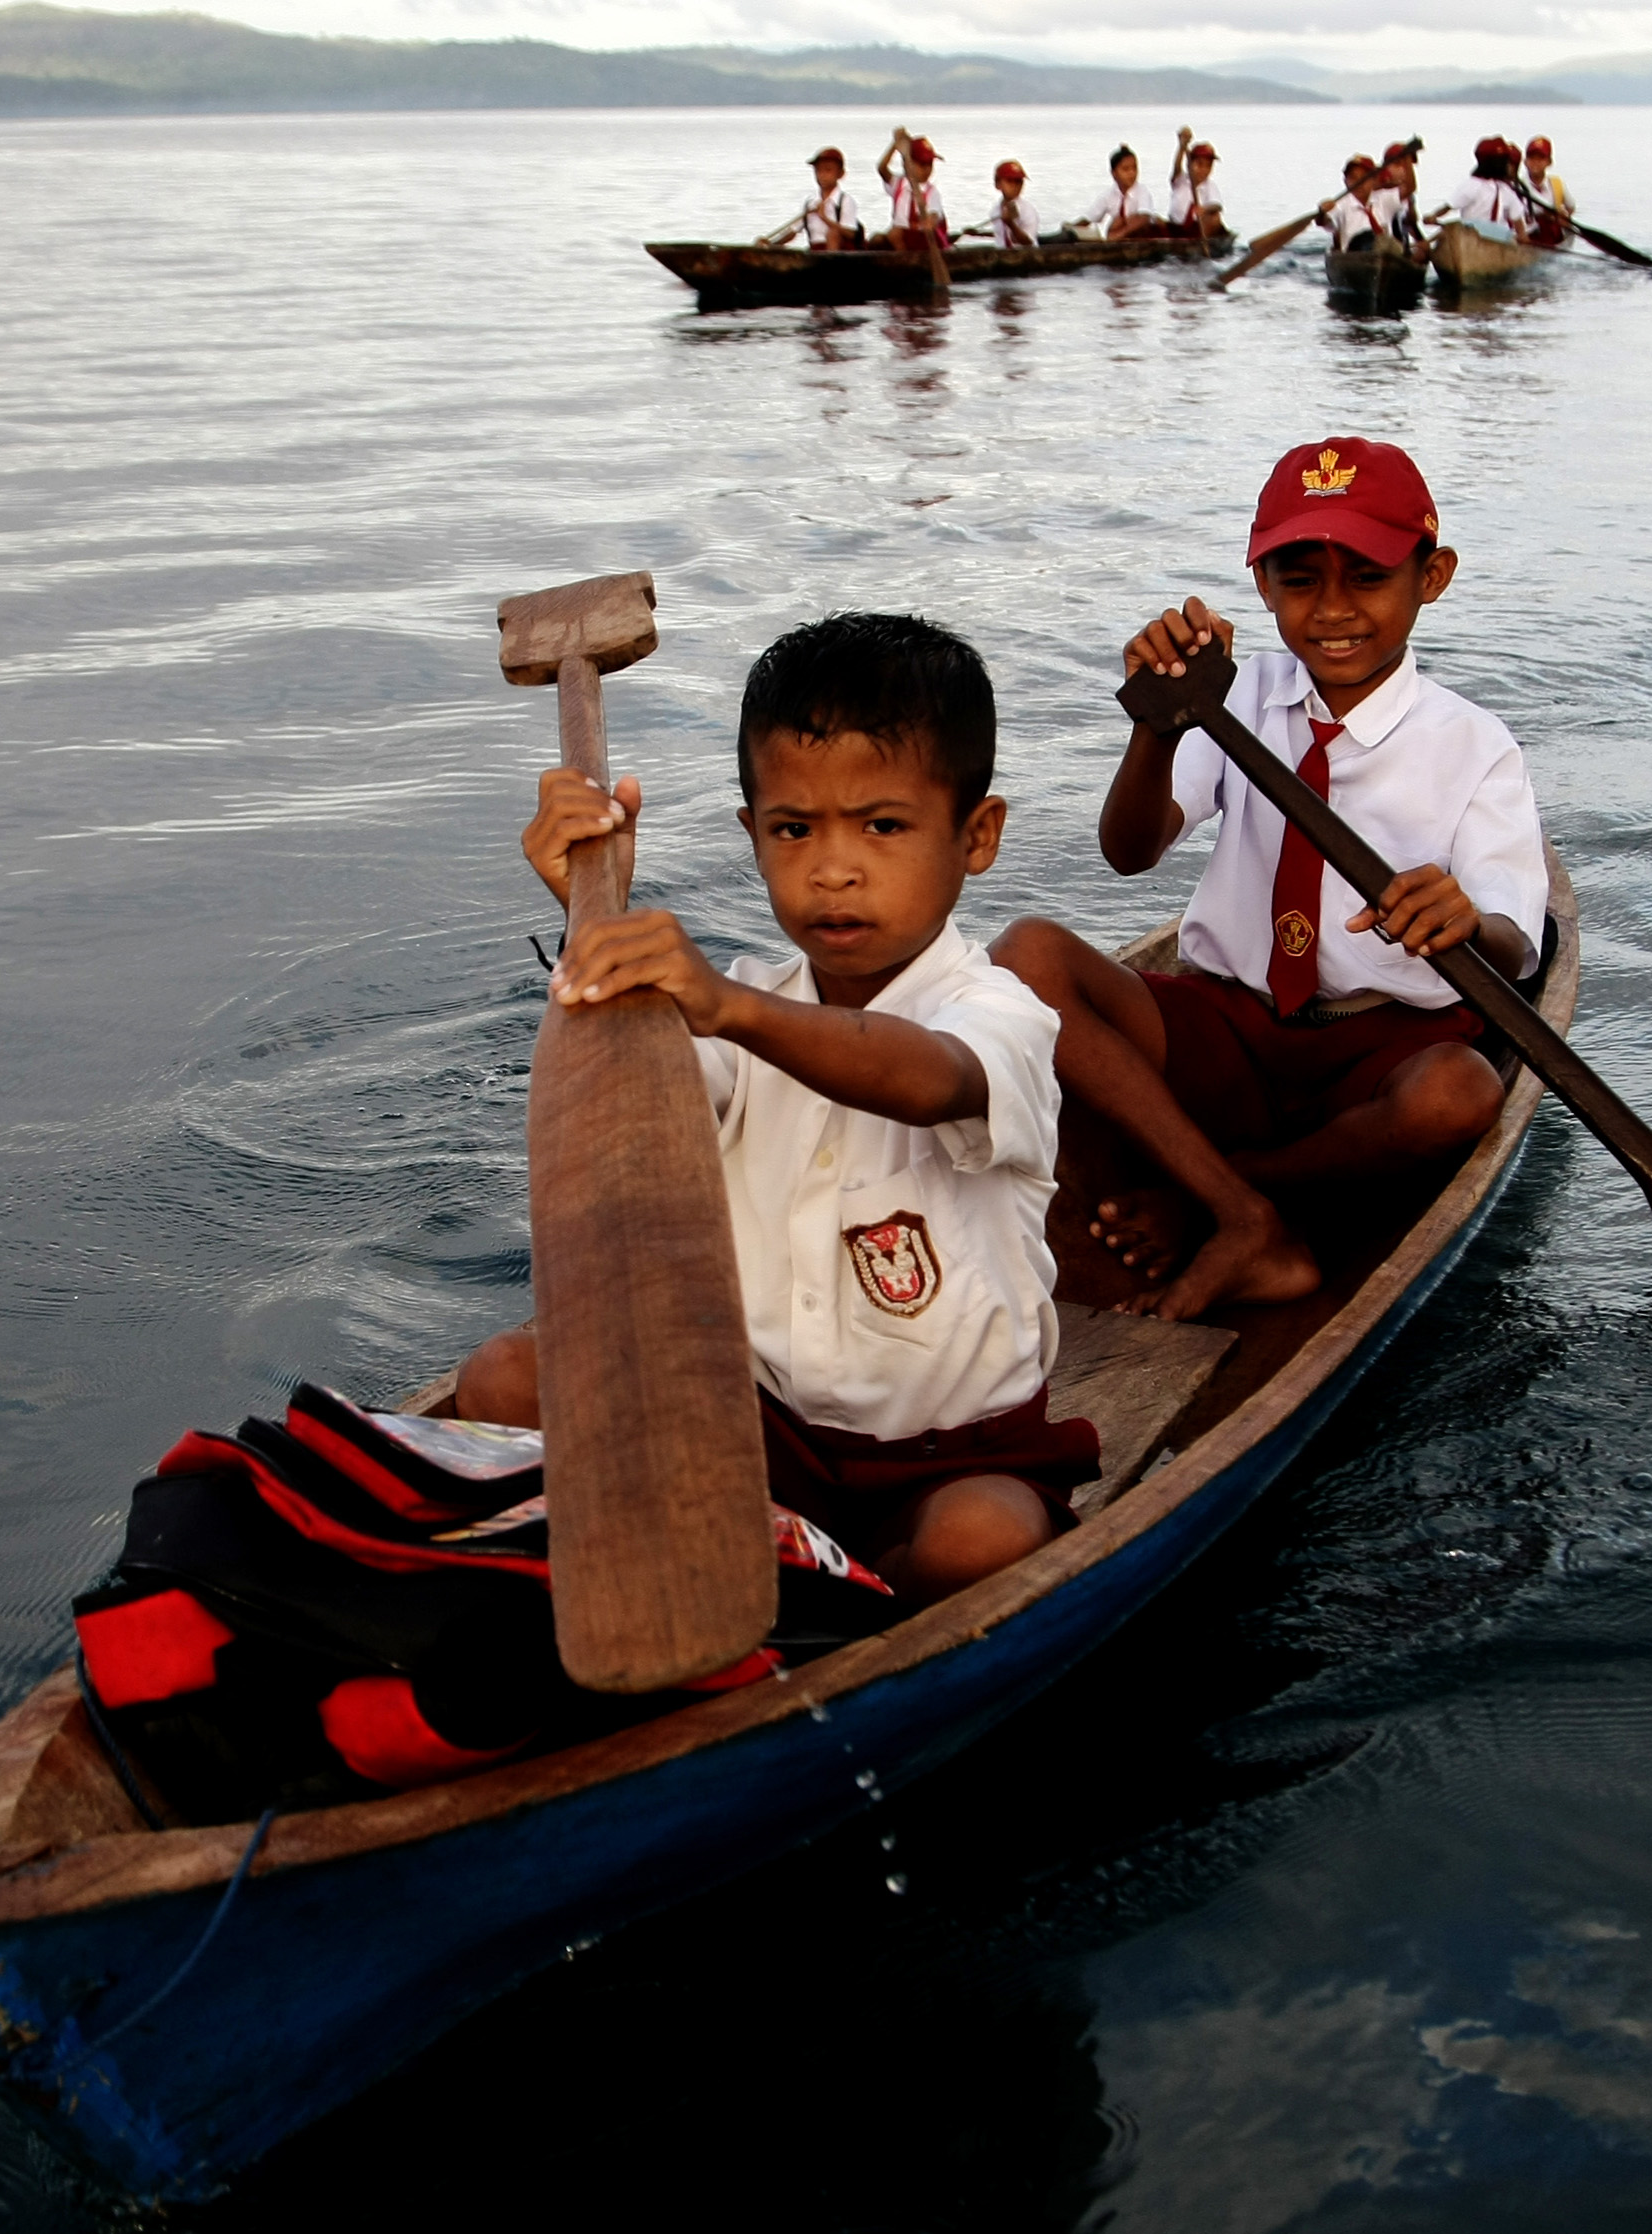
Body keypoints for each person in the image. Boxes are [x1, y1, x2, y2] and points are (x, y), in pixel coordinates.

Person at [457, 615, 1096, 1607]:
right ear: (751, 833)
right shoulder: (732, 1008)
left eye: (881, 826)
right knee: (501, 1381)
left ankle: (836, 1606)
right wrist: (592, 910)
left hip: (945, 1458)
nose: (831, 870)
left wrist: (727, 1004)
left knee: (984, 1540)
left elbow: (925, 1075)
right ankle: (750, 1563)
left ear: (976, 836)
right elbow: (627, 1090)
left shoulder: (995, 1012)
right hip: (748, 1427)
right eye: (793, 829)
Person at [989, 438, 1549, 1324]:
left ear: (1430, 576)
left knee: (1459, 1093)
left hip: (1377, 1049)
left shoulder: (1475, 748)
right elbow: (1128, 850)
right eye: (1298, 580)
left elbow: (1516, 952)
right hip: (1234, 1025)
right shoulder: (1235, 696)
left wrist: (1466, 919)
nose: (1332, 611)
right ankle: (1247, 1216)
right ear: (1261, 586)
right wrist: (1158, 722)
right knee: (1024, 955)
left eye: (1365, 577)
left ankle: (1209, 1194)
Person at [761, 145, 865, 250]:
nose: (822, 175)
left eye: (828, 170)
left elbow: (851, 234)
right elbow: (793, 231)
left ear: (840, 174)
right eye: (818, 171)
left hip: (841, 255)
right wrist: (770, 244)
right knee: (778, 250)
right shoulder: (811, 203)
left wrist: (825, 218)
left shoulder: (845, 201)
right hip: (816, 252)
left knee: (833, 234)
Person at [1445, 136, 1535, 239]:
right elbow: (1449, 206)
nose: (1508, 168)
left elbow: (1519, 223)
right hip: (1471, 237)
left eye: (1512, 165)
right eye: (1506, 163)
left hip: (1500, 240)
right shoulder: (1472, 185)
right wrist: (1433, 217)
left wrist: (1523, 238)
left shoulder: (1508, 191)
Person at [877, 129, 951, 247]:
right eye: (922, 165)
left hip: (926, 241)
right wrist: (895, 145)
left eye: (930, 164)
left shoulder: (932, 192)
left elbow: (934, 215)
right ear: (907, 164)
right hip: (903, 240)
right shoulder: (898, 184)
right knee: (877, 239)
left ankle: (904, 262)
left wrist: (929, 221)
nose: (927, 170)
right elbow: (882, 169)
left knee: (895, 233)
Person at [1077, 143, 1159, 239]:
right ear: (1114, 173)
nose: (1132, 173)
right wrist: (1069, 229)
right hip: (1121, 236)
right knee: (1116, 222)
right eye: (1126, 169)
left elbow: (1144, 218)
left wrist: (1120, 234)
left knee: (1132, 220)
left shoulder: (1142, 191)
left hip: (1142, 234)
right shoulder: (1108, 195)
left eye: (1134, 168)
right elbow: (1088, 219)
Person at [969, 158, 1048, 247]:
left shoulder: (1027, 210)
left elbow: (1027, 242)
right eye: (1010, 181)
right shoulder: (996, 209)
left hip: (1026, 257)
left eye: (1019, 181)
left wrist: (1010, 224)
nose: (1015, 186)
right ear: (997, 184)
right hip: (1002, 255)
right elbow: (1000, 233)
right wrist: (978, 233)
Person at [1164, 129, 1224, 235]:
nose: (1204, 170)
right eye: (1199, 165)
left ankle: (1198, 241)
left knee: (1215, 218)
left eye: (1208, 166)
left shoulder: (1210, 186)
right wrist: (1182, 146)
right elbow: (1177, 166)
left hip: (1197, 228)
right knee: (1154, 221)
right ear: (1190, 164)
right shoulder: (1181, 180)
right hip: (1175, 226)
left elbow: (1217, 205)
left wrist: (1204, 209)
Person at [1319, 154, 1383, 249]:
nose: (1359, 183)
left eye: (1364, 178)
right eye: (1353, 178)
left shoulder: (1384, 198)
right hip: (1353, 257)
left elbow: (1408, 188)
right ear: (1345, 181)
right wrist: (1322, 214)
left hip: (1385, 254)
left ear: (1374, 180)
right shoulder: (1340, 204)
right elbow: (1326, 222)